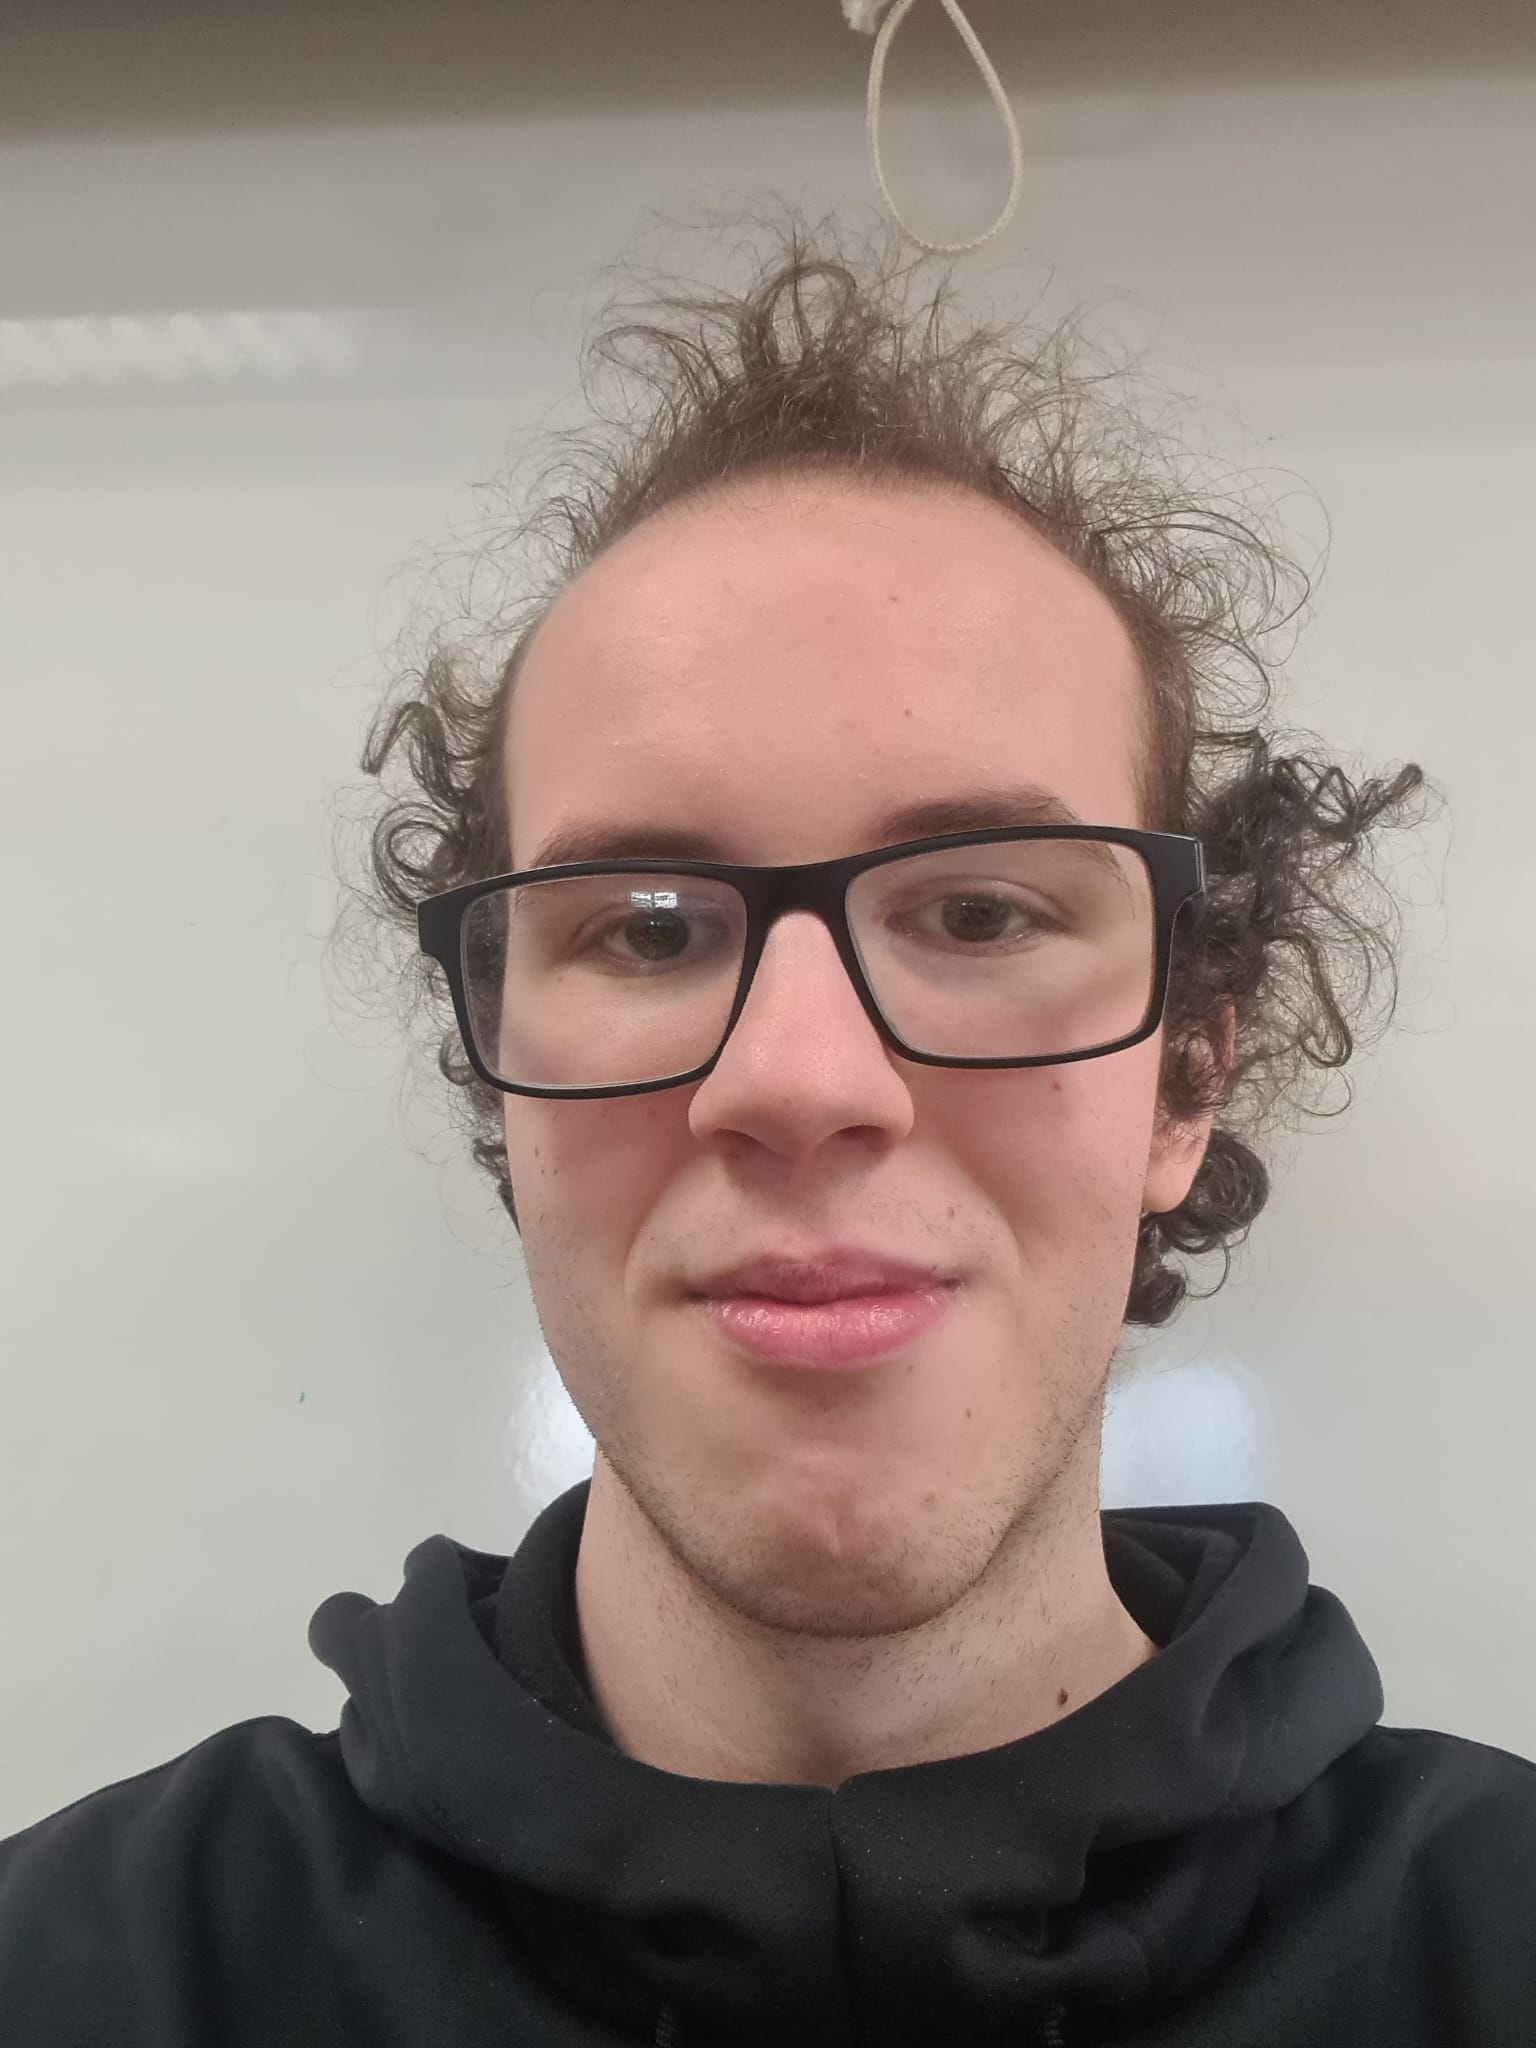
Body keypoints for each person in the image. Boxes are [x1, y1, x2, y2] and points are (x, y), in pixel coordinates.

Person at [3, 218, 1533, 2047]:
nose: (802, 1082)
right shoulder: (91, 1971)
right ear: (503, 1079)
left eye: (982, 913)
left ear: (1187, 1081)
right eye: (650, 931)